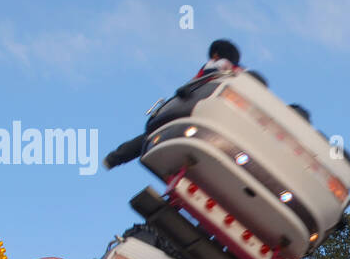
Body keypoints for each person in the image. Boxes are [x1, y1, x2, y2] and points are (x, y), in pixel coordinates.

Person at [104, 39, 249, 170]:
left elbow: (198, 83)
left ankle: (114, 158)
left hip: (194, 110)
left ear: (216, 55)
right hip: (222, 121)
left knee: (148, 137)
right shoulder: (242, 76)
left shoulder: (218, 65)